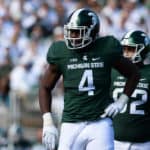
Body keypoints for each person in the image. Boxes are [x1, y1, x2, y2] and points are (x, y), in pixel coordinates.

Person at [39, 8, 140, 150]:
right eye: (70, 31)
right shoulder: (61, 52)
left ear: (92, 32)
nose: (72, 36)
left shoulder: (106, 48)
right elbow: (45, 87)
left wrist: (122, 100)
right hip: (71, 122)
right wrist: (48, 121)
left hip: (100, 122)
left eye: (77, 32)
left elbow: (134, 73)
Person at [111, 30, 150, 150]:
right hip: (114, 141)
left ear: (142, 50)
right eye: (124, 49)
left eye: (131, 49)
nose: (126, 53)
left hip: (143, 143)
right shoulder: (113, 71)